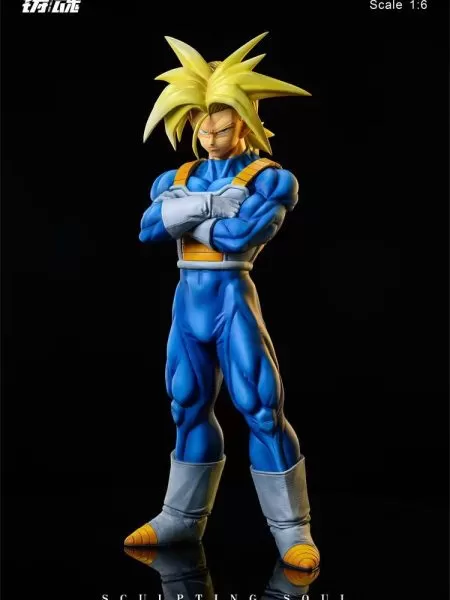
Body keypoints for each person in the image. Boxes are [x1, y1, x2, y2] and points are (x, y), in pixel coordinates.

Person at [124, 32, 320, 572]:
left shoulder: (271, 178)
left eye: (224, 126)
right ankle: (180, 517)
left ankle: (292, 531)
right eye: (203, 126)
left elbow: (240, 237)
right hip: (188, 300)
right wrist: (212, 205)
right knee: (185, 404)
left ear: (247, 121)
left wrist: (182, 213)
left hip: (233, 296)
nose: (211, 136)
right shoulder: (175, 176)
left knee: (260, 407)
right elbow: (146, 230)